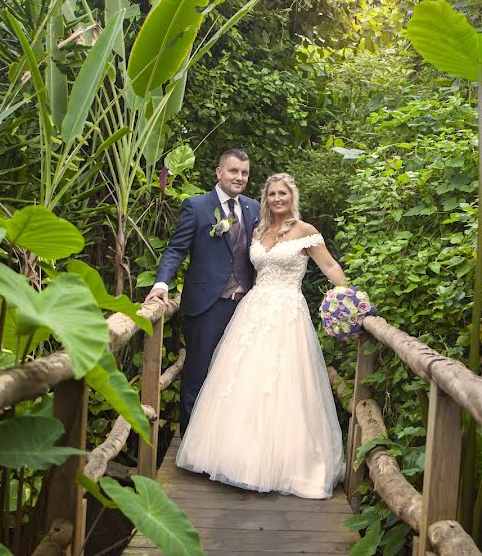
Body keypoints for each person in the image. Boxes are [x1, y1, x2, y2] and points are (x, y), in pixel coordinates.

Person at [175, 173, 346, 499]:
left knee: (280, 385)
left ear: (292, 196)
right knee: (241, 382)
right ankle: (234, 457)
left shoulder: (306, 231)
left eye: (283, 193)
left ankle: (283, 462)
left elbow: (330, 266)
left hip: (287, 313)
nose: (277, 199)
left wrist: (350, 295)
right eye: (271, 194)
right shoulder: (257, 231)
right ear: (265, 199)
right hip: (252, 311)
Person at [146, 149, 259, 433]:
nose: (239, 177)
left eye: (244, 172)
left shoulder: (253, 208)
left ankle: (224, 440)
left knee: (236, 375)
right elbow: (176, 249)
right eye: (233, 171)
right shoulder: (196, 207)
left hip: (245, 306)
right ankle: (190, 444)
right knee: (197, 374)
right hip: (207, 305)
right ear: (219, 173)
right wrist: (161, 284)